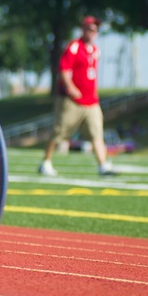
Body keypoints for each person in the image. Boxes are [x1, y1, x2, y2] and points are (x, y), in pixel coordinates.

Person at [38, 15, 117, 177]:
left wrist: (95, 93)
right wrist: (71, 87)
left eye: (95, 29)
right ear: (83, 29)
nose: (93, 32)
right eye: (90, 29)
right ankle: (45, 162)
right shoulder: (74, 46)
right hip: (72, 101)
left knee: (97, 134)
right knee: (59, 132)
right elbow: (64, 69)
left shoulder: (95, 50)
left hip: (91, 102)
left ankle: (103, 165)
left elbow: (92, 75)